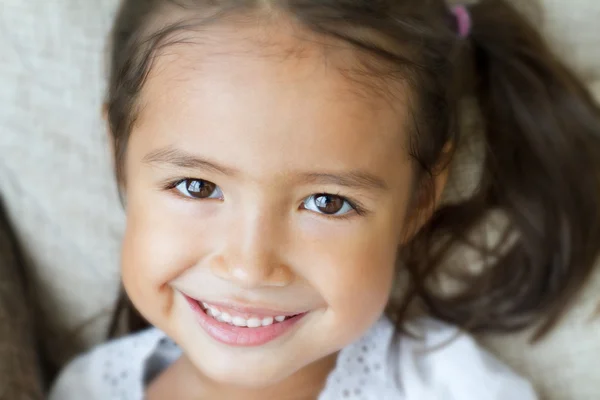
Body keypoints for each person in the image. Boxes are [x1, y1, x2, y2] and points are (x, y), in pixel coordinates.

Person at [49, 0, 600, 399]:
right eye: (197, 186)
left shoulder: (456, 389)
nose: (249, 266)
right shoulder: (86, 389)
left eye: (327, 203)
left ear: (420, 199)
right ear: (119, 156)